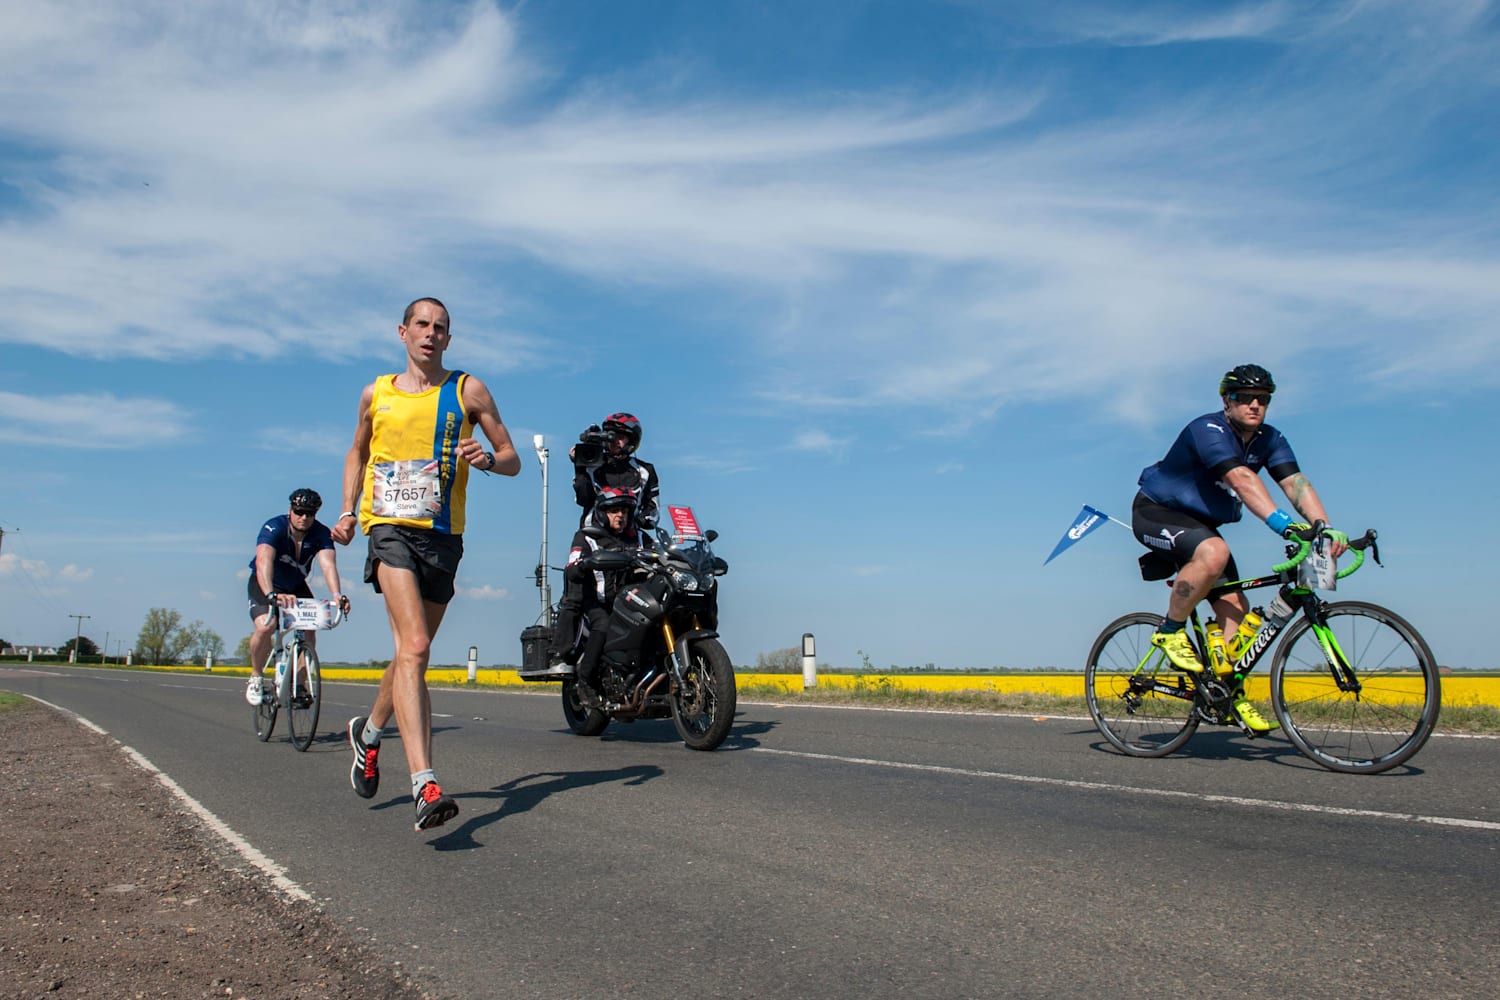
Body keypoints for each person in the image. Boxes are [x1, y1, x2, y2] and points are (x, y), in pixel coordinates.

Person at [329, 297, 521, 833]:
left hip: (443, 536)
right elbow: (357, 452)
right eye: (422, 325)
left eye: (440, 328)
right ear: (402, 332)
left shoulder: (468, 391)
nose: (430, 335)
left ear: (448, 339)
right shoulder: (378, 393)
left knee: (409, 654)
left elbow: (512, 459)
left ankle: (368, 735)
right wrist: (348, 511)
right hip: (388, 528)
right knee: (414, 647)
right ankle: (424, 784)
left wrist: (487, 460)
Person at [1132, 363, 1349, 734]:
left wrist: (1324, 527)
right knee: (1214, 552)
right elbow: (1240, 477)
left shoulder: (1270, 439)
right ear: (1226, 400)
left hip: (1203, 525)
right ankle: (1170, 630)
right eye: (1243, 397)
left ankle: (1223, 692)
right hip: (1157, 511)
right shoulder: (1208, 429)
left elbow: (1295, 483)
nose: (1253, 405)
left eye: (1262, 399)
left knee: (1235, 608)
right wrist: (1284, 525)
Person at [245, 488, 350, 706]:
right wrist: (271, 594)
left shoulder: (320, 533)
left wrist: (337, 595)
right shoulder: (274, 527)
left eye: (310, 513)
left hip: (295, 585)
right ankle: (256, 676)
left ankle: (300, 683)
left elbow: (328, 564)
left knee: (311, 628)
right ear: (290, 510)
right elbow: (263, 561)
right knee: (266, 626)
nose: (304, 517)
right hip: (265, 583)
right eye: (299, 511)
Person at [552, 487, 654, 707]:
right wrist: (586, 563)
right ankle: (585, 680)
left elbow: (659, 553)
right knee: (604, 624)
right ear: (601, 512)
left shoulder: (638, 537)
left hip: (630, 600)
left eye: (625, 511)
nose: (621, 516)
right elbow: (572, 565)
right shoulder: (587, 536)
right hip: (596, 601)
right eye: (614, 511)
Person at [572, 412, 660, 530]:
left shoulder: (645, 470)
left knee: (655, 547)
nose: (614, 441)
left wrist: (642, 520)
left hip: (631, 537)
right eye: (611, 435)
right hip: (594, 535)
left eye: (621, 437)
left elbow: (653, 509)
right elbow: (583, 499)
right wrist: (580, 467)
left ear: (632, 440)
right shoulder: (592, 465)